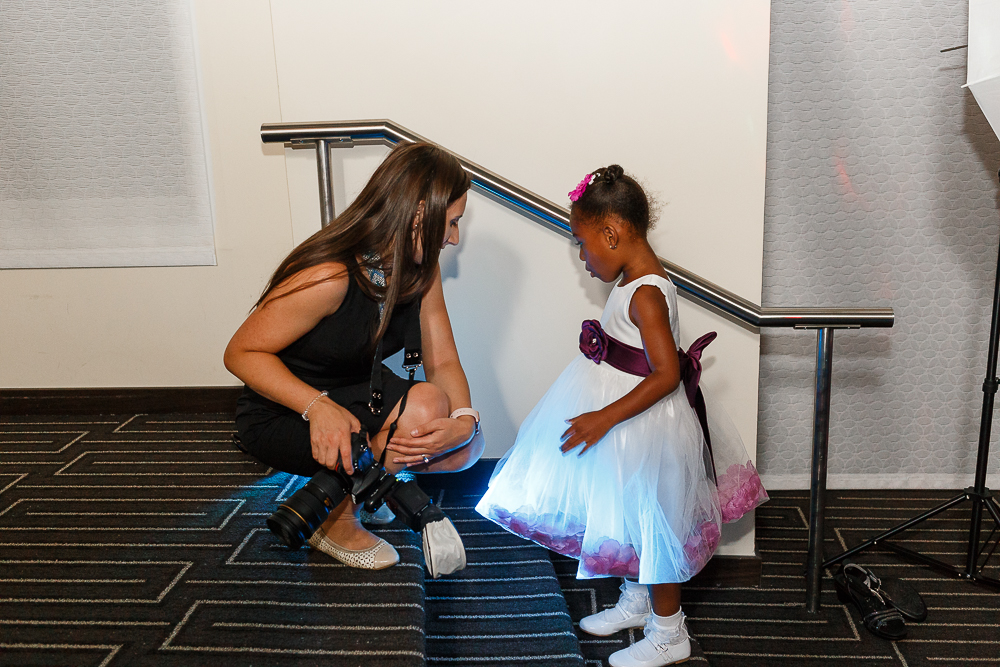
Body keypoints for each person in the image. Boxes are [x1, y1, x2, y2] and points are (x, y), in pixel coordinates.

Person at [475, 166, 767, 667]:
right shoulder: (636, 281)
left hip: (643, 425)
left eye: (583, 245)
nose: (583, 259)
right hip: (632, 426)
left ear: (612, 234)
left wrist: (602, 418)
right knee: (631, 514)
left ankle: (669, 634)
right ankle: (636, 601)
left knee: (655, 524)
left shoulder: (647, 293)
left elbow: (666, 374)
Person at [225, 142, 485, 571]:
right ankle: (335, 519)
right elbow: (240, 353)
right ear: (419, 213)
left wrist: (464, 421)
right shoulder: (329, 275)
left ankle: (360, 482)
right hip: (285, 410)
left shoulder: (422, 269)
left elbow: (443, 363)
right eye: (451, 222)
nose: (454, 237)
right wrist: (317, 407)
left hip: (352, 395)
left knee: (464, 447)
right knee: (435, 428)